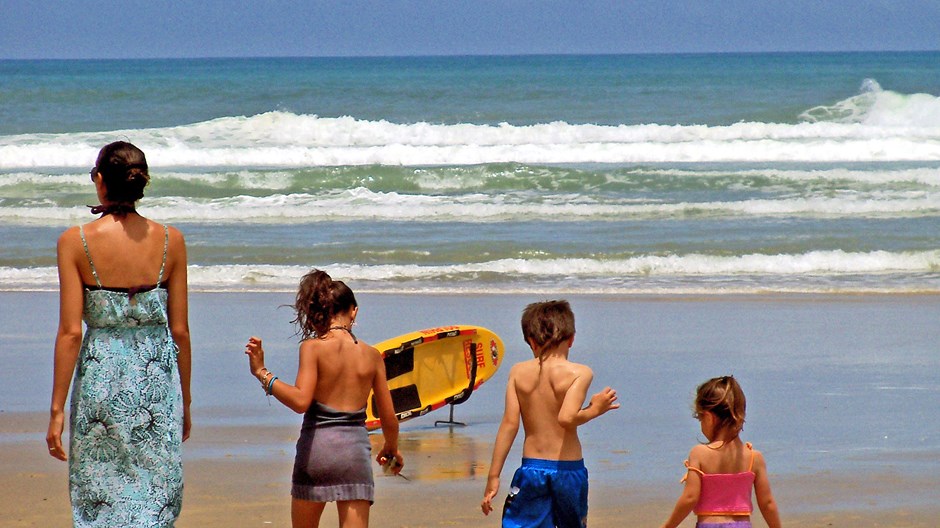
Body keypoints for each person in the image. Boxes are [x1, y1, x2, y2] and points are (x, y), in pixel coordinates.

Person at [46, 141, 193, 526]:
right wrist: (186, 400)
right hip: (156, 382)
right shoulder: (171, 241)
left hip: (101, 378)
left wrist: (57, 410)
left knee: (100, 497)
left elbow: (69, 333)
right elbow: (179, 331)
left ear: (99, 180)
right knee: (155, 496)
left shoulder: (74, 242)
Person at [244, 269, 403, 528]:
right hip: (354, 458)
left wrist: (262, 373)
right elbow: (389, 419)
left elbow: (300, 401)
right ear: (353, 311)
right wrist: (391, 449)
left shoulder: (312, 348)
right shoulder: (372, 356)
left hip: (316, 454)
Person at [481, 299, 619, 528]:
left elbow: (509, 424)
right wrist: (595, 409)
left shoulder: (518, 372)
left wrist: (493, 476)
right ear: (572, 338)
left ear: (532, 342)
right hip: (568, 469)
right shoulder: (579, 373)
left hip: (531, 468)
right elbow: (566, 418)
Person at [659, 376, 781, 528]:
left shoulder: (699, 453)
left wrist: (667, 526)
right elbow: (767, 503)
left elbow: (690, 498)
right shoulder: (754, 457)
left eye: (700, 419)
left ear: (709, 418)